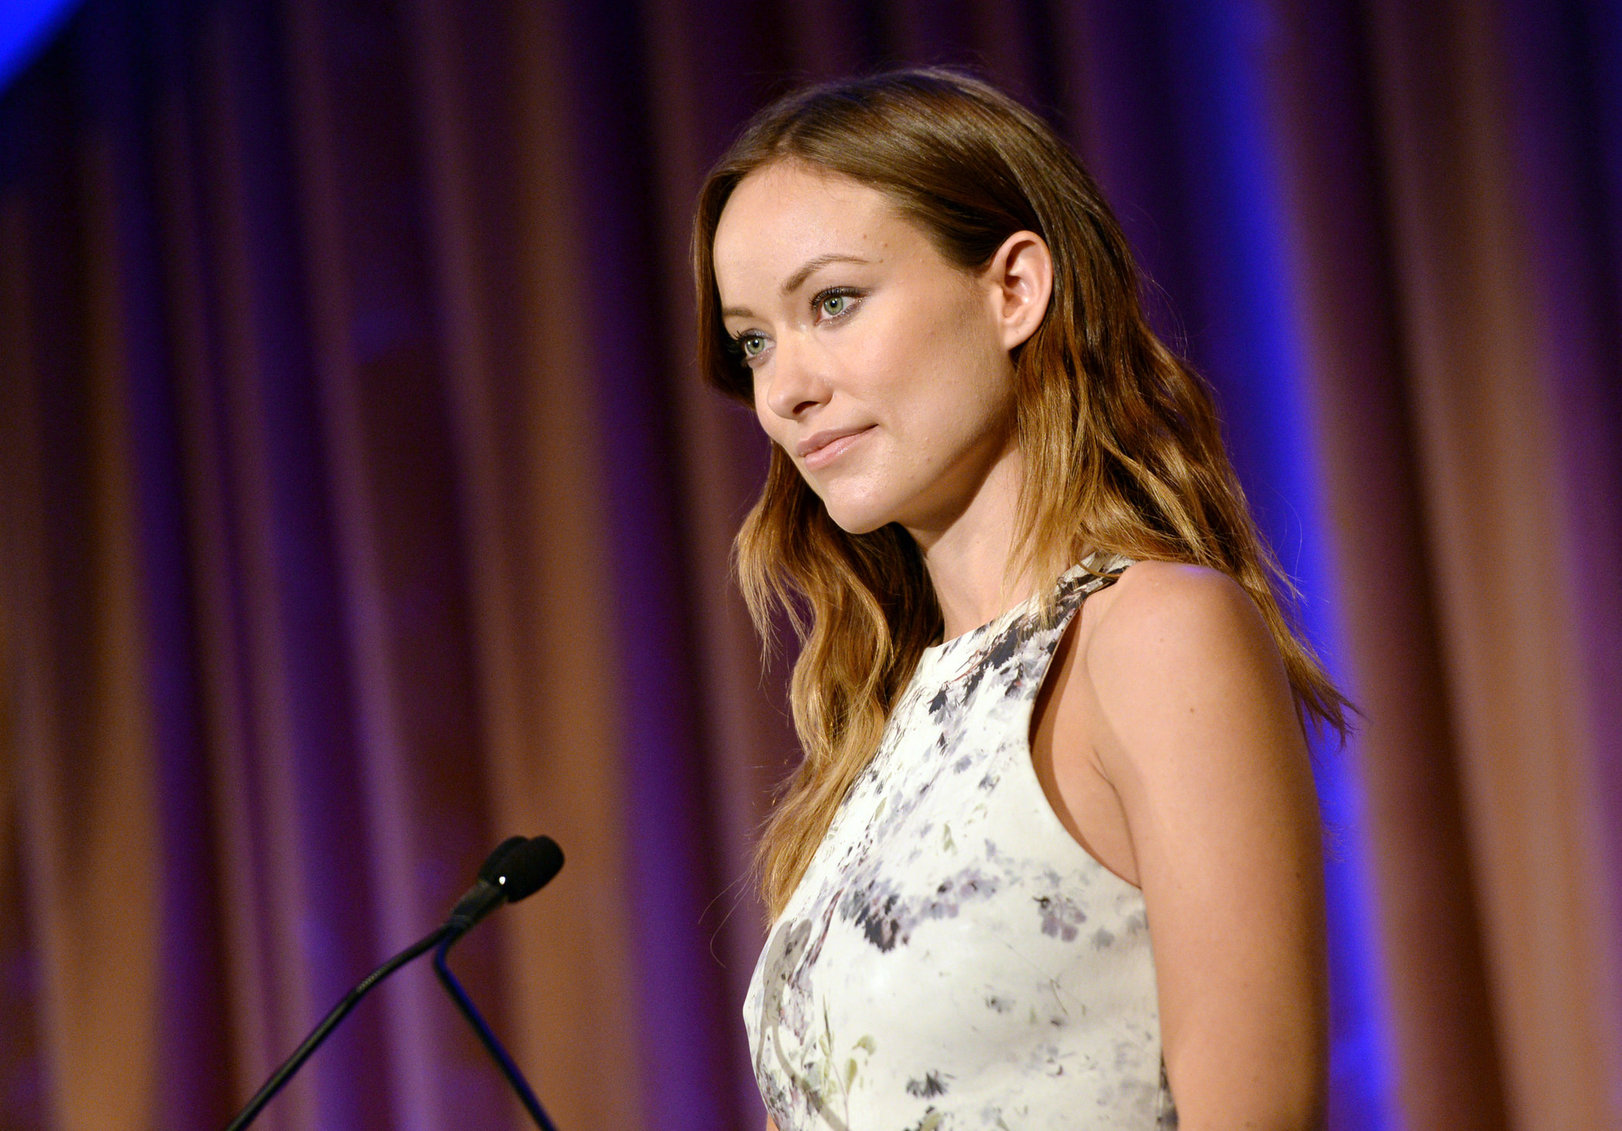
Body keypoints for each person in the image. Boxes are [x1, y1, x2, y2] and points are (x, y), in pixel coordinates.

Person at [693, 67, 1346, 1131]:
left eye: (833, 303)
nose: (782, 389)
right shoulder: (894, 723)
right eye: (754, 339)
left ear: (1012, 290)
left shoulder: (1151, 633)